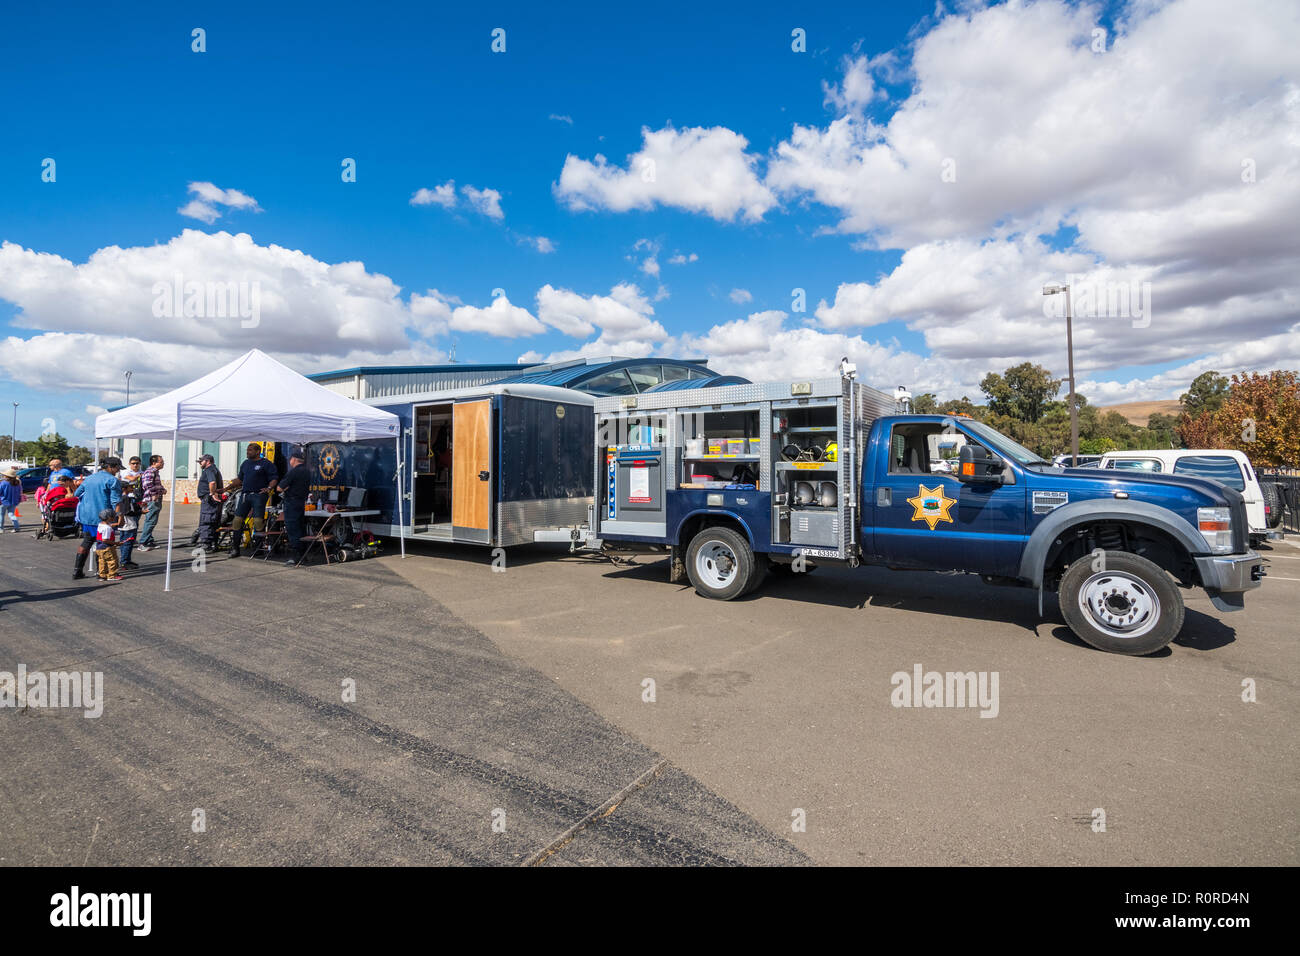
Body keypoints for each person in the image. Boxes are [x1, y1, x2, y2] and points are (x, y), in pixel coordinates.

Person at [73, 457, 122, 580]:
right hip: (104, 517)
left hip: (86, 515)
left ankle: (77, 571)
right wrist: (119, 516)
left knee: (87, 541)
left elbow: (77, 494)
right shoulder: (112, 480)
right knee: (103, 543)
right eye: (117, 468)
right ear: (111, 467)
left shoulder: (89, 478)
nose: (117, 471)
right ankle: (101, 572)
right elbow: (116, 501)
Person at [228, 443, 279, 557]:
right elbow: (239, 480)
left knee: (257, 522)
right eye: (247, 450)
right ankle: (235, 549)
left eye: (250, 450)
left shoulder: (266, 464)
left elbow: (274, 478)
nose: (247, 452)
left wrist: (269, 488)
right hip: (245, 495)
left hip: (258, 495)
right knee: (237, 521)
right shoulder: (245, 463)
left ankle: (258, 548)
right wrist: (226, 488)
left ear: (257, 451)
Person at [279, 448, 311, 566]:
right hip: (301, 502)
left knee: (293, 530)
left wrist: (286, 488)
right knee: (300, 529)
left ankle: (295, 556)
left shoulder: (293, 472)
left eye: (290, 459)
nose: (289, 461)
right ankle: (303, 555)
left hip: (291, 503)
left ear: (294, 460)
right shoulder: (307, 471)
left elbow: (280, 487)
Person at [194, 453, 224, 553]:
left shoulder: (209, 470)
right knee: (213, 521)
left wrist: (212, 493)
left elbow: (212, 482)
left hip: (209, 500)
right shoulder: (213, 469)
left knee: (206, 521)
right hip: (211, 500)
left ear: (207, 461)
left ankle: (206, 544)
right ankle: (213, 543)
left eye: (201, 461)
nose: (200, 463)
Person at [137, 454, 165, 549]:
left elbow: (155, 484)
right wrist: (154, 494)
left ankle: (149, 540)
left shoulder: (155, 472)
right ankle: (143, 543)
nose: (163, 463)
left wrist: (162, 490)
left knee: (152, 520)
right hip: (151, 500)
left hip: (155, 498)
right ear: (154, 463)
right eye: (161, 462)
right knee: (151, 521)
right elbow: (147, 484)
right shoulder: (151, 471)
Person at [117, 473, 142, 569]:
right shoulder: (125, 498)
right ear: (124, 489)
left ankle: (126, 559)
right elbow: (127, 511)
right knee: (128, 542)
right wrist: (140, 512)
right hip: (128, 524)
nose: (132, 488)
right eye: (130, 487)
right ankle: (125, 561)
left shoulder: (122, 498)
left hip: (123, 524)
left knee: (124, 541)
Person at [94, 507, 123, 581]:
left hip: (99, 547)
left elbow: (109, 526)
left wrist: (116, 523)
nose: (114, 518)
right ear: (109, 518)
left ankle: (102, 575)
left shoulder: (101, 524)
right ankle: (112, 575)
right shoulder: (107, 528)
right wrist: (116, 543)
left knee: (102, 561)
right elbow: (105, 540)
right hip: (107, 547)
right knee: (112, 560)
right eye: (113, 516)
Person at [0, 466, 21, 532]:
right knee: (11, 514)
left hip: (3, 501)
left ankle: (1, 529)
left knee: (1, 515)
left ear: (7, 476)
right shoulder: (17, 483)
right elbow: (19, 492)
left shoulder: (3, 483)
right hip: (13, 501)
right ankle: (16, 527)